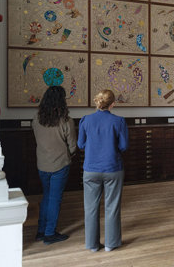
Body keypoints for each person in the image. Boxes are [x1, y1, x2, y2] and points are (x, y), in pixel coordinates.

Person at [78, 89, 128, 252]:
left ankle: (92, 245)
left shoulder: (85, 120)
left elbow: (80, 144)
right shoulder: (119, 121)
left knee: (91, 208)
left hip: (90, 169)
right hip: (113, 168)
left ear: (98, 102)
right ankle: (110, 244)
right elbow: (123, 146)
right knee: (112, 206)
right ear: (112, 104)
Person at [32, 86, 77, 244]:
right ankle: (50, 234)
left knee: (46, 197)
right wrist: (70, 153)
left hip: (42, 164)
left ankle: (41, 231)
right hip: (60, 164)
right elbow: (72, 146)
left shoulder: (36, 119)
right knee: (55, 198)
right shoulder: (66, 121)